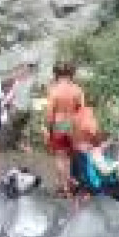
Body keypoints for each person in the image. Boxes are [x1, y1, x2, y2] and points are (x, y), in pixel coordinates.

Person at [47, 60, 87, 195]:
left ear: (56, 73)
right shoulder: (77, 90)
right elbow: (82, 110)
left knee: (60, 157)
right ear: (71, 73)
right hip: (73, 124)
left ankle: (64, 187)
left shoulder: (54, 90)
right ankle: (70, 184)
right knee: (70, 157)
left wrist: (49, 128)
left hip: (59, 124)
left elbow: (50, 112)